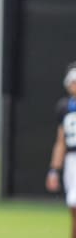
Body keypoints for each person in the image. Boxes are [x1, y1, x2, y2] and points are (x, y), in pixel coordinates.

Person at [46, 62, 76, 238]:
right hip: (72, 162)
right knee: (73, 207)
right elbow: (61, 141)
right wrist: (54, 170)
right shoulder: (64, 107)